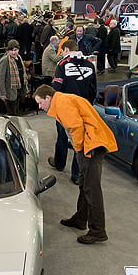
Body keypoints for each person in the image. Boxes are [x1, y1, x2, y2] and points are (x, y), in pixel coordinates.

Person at [34, 84, 117, 244]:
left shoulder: (63, 102)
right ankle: (80, 219)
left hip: (90, 147)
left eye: (40, 102)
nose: (40, 106)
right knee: (84, 185)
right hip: (90, 144)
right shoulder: (63, 100)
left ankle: (97, 231)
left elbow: (76, 127)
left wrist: (80, 150)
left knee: (92, 189)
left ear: (48, 98)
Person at [50, 40, 96, 184]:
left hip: (65, 109)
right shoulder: (90, 64)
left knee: (62, 137)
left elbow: (56, 87)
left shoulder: (62, 64)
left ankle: (59, 163)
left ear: (66, 49)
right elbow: (94, 88)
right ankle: (77, 175)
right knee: (80, 142)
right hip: (84, 108)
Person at [0, 39, 29, 115]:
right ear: (8, 50)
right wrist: (2, 93)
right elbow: (0, 78)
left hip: (19, 88)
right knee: (12, 113)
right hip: (9, 91)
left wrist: (26, 86)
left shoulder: (19, 58)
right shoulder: (5, 60)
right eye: (12, 50)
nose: (14, 52)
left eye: (16, 50)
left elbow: (23, 74)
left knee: (17, 111)